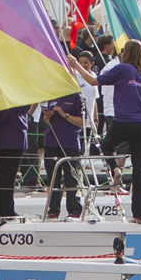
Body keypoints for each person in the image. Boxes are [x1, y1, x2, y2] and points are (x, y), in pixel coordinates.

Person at [73, 39, 141, 223]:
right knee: (139, 171)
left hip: (123, 121)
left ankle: (115, 169)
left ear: (127, 54)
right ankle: (139, 216)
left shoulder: (123, 69)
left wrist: (76, 65)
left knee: (106, 146)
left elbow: (93, 81)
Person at [40, 85, 87, 218]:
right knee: (53, 179)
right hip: (51, 141)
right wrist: (47, 117)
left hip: (70, 142)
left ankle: (74, 210)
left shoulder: (77, 96)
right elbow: (47, 120)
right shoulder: (54, 94)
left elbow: (82, 121)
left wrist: (64, 114)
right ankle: (53, 210)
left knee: (71, 178)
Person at [0, 100, 31, 221]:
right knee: (9, 176)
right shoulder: (17, 92)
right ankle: (6, 210)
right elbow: (24, 107)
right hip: (14, 137)